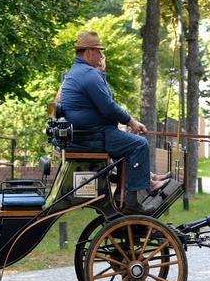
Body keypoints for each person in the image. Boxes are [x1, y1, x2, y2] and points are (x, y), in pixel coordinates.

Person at [58, 31, 169, 215]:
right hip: (93, 136)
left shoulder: (77, 72)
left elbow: (106, 103)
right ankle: (132, 203)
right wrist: (131, 121)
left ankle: (124, 194)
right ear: (89, 52)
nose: (102, 56)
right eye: (99, 52)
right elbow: (108, 107)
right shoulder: (88, 74)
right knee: (139, 144)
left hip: (87, 135)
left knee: (127, 144)